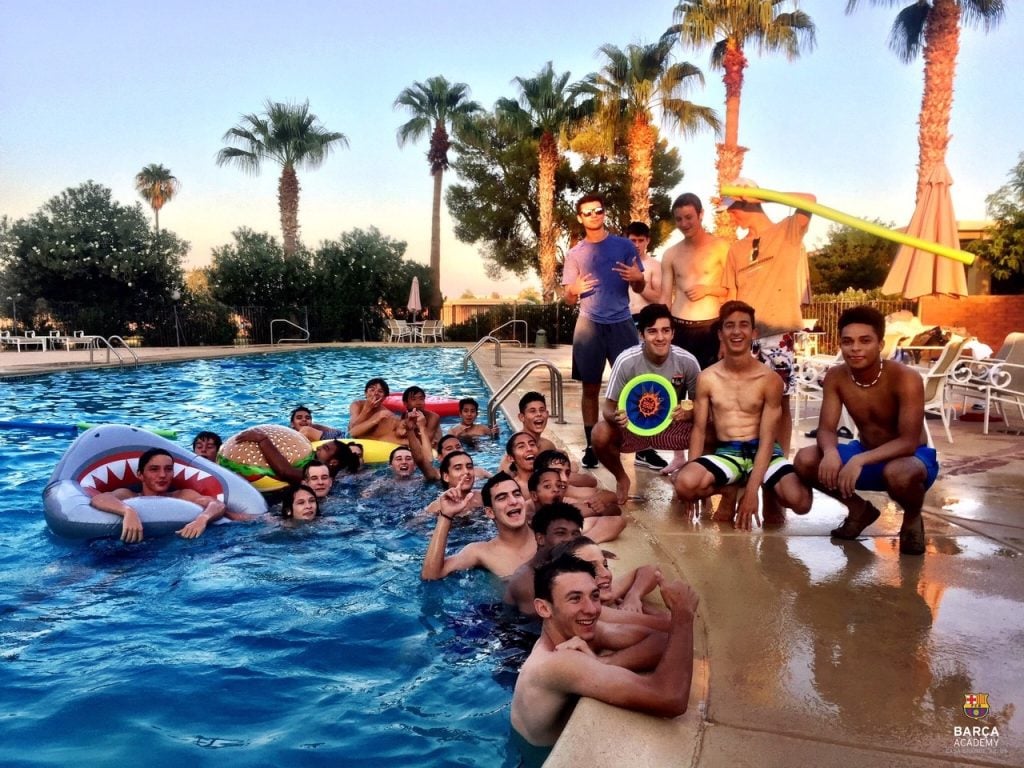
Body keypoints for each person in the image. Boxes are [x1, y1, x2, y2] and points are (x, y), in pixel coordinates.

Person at [510, 553, 699, 753]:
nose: (591, 609)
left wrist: (604, 662)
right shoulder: (556, 661)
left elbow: (661, 640)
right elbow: (670, 698)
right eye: (575, 599)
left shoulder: (577, 633)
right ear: (544, 608)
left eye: (594, 595)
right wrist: (684, 614)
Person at [793, 306, 939, 555]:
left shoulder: (906, 378)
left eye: (865, 341)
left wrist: (858, 460)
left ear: (880, 344)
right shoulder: (837, 376)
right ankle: (860, 510)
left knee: (898, 474)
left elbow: (909, 441)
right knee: (806, 459)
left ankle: (913, 517)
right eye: (847, 341)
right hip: (867, 452)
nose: (855, 348)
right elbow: (826, 429)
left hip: (911, 459)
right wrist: (830, 452)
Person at [673, 301, 812, 529]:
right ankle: (729, 490)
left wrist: (751, 492)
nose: (736, 332)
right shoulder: (707, 378)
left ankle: (769, 491)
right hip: (729, 452)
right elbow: (698, 430)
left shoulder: (770, 380)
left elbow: (768, 440)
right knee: (684, 484)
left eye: (743, 325)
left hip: (765, 452)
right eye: (729, 326)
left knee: (800, 501)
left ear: (753, 332)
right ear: (720, 333)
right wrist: (693, 486)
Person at [721, 179, 815, 460]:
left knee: (780, 399)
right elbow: (731, 297)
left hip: (779, 332)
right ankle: (749, 457)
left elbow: (809, 197)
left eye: (733, 207)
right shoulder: (736, 249)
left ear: (746, 202)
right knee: (745, 402)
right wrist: (725, 339)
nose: (730, 214)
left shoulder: (787, 231)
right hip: (744, 337)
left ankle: (780, 461)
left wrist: (760, 196)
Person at [562, 193, 644, 469]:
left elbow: (640, 286)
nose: (594, 215)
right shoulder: (575, 254)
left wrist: (638, 279)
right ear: (580, 217)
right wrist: (574, 290)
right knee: (590, 387)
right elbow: (569, 298)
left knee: (631, 386)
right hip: (589, 326)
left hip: (622, 323)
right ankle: (591, 445)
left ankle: (637, 443)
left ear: (604, 213)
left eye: (598, 210)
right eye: (588, 212)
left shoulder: (623, 246)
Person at [592, 303, 700, 503]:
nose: (660, 337)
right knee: (599, 433)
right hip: (633, 431)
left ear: (673, 333)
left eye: (665, 331)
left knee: (710, 430)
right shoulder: (626, 360)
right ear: (641, 335)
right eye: (652, 331)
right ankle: (621, 478)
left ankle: (691, 478)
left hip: (671, 429)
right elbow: (608, 407)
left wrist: (688, 413)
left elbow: (701, 406)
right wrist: (616, 417)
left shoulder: (687, 361)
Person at [88, 448, 227, 543]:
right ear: (140, 475)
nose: (162, 475)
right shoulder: (128, 495)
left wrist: (202, 519)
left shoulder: (182, 496)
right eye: (154, 469)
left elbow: (217, 504)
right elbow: (99, 498)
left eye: (168, 469)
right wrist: (128, 511)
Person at [420, 472, 536, 581]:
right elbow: (431, 575)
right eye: (502, 498)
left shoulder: (546, 532)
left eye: (516, 494)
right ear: (490, 512)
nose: (513, 501)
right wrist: (446, 515)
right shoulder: (481, 552)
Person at [660, 192, 729, 370]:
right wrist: (662, 332)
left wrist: (708, 289)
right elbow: (665, 298)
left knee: (708, 388)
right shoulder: (670, 254)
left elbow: (733, 291)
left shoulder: (721, 248)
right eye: (679, 219)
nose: (684, 224)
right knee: (675, 388)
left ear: (701, 214)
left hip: (711, 328)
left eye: (689, 217)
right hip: (679, 328)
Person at [504, 502, 585, 615]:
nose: (570, 540)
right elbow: (551, 624)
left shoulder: (564, 564)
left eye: (575, 534)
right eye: (561, 533)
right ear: (540, 538)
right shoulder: (527, 583)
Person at [234, 427, 358, 484]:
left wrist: (263, 440)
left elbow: (285, 472)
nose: (318, 447)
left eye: (325, 448)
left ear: (334, 462)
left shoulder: (319, 477)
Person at [349, 378, 408, 443]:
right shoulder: (357, 405)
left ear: (384, 397)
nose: (375, 393)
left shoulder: (386, 415)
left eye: (380, 391)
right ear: (366, 393)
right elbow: (351, 430)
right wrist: (366, 409)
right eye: (372, 390)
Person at [626, 221, 662, 322]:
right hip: (623, 320)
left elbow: (659, 298)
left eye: (640, 240)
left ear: (648, 241)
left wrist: (638, 284)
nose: (637, 245)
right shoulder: (619, 265)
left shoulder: (655, 265)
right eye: (633, 241)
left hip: (646, 319)